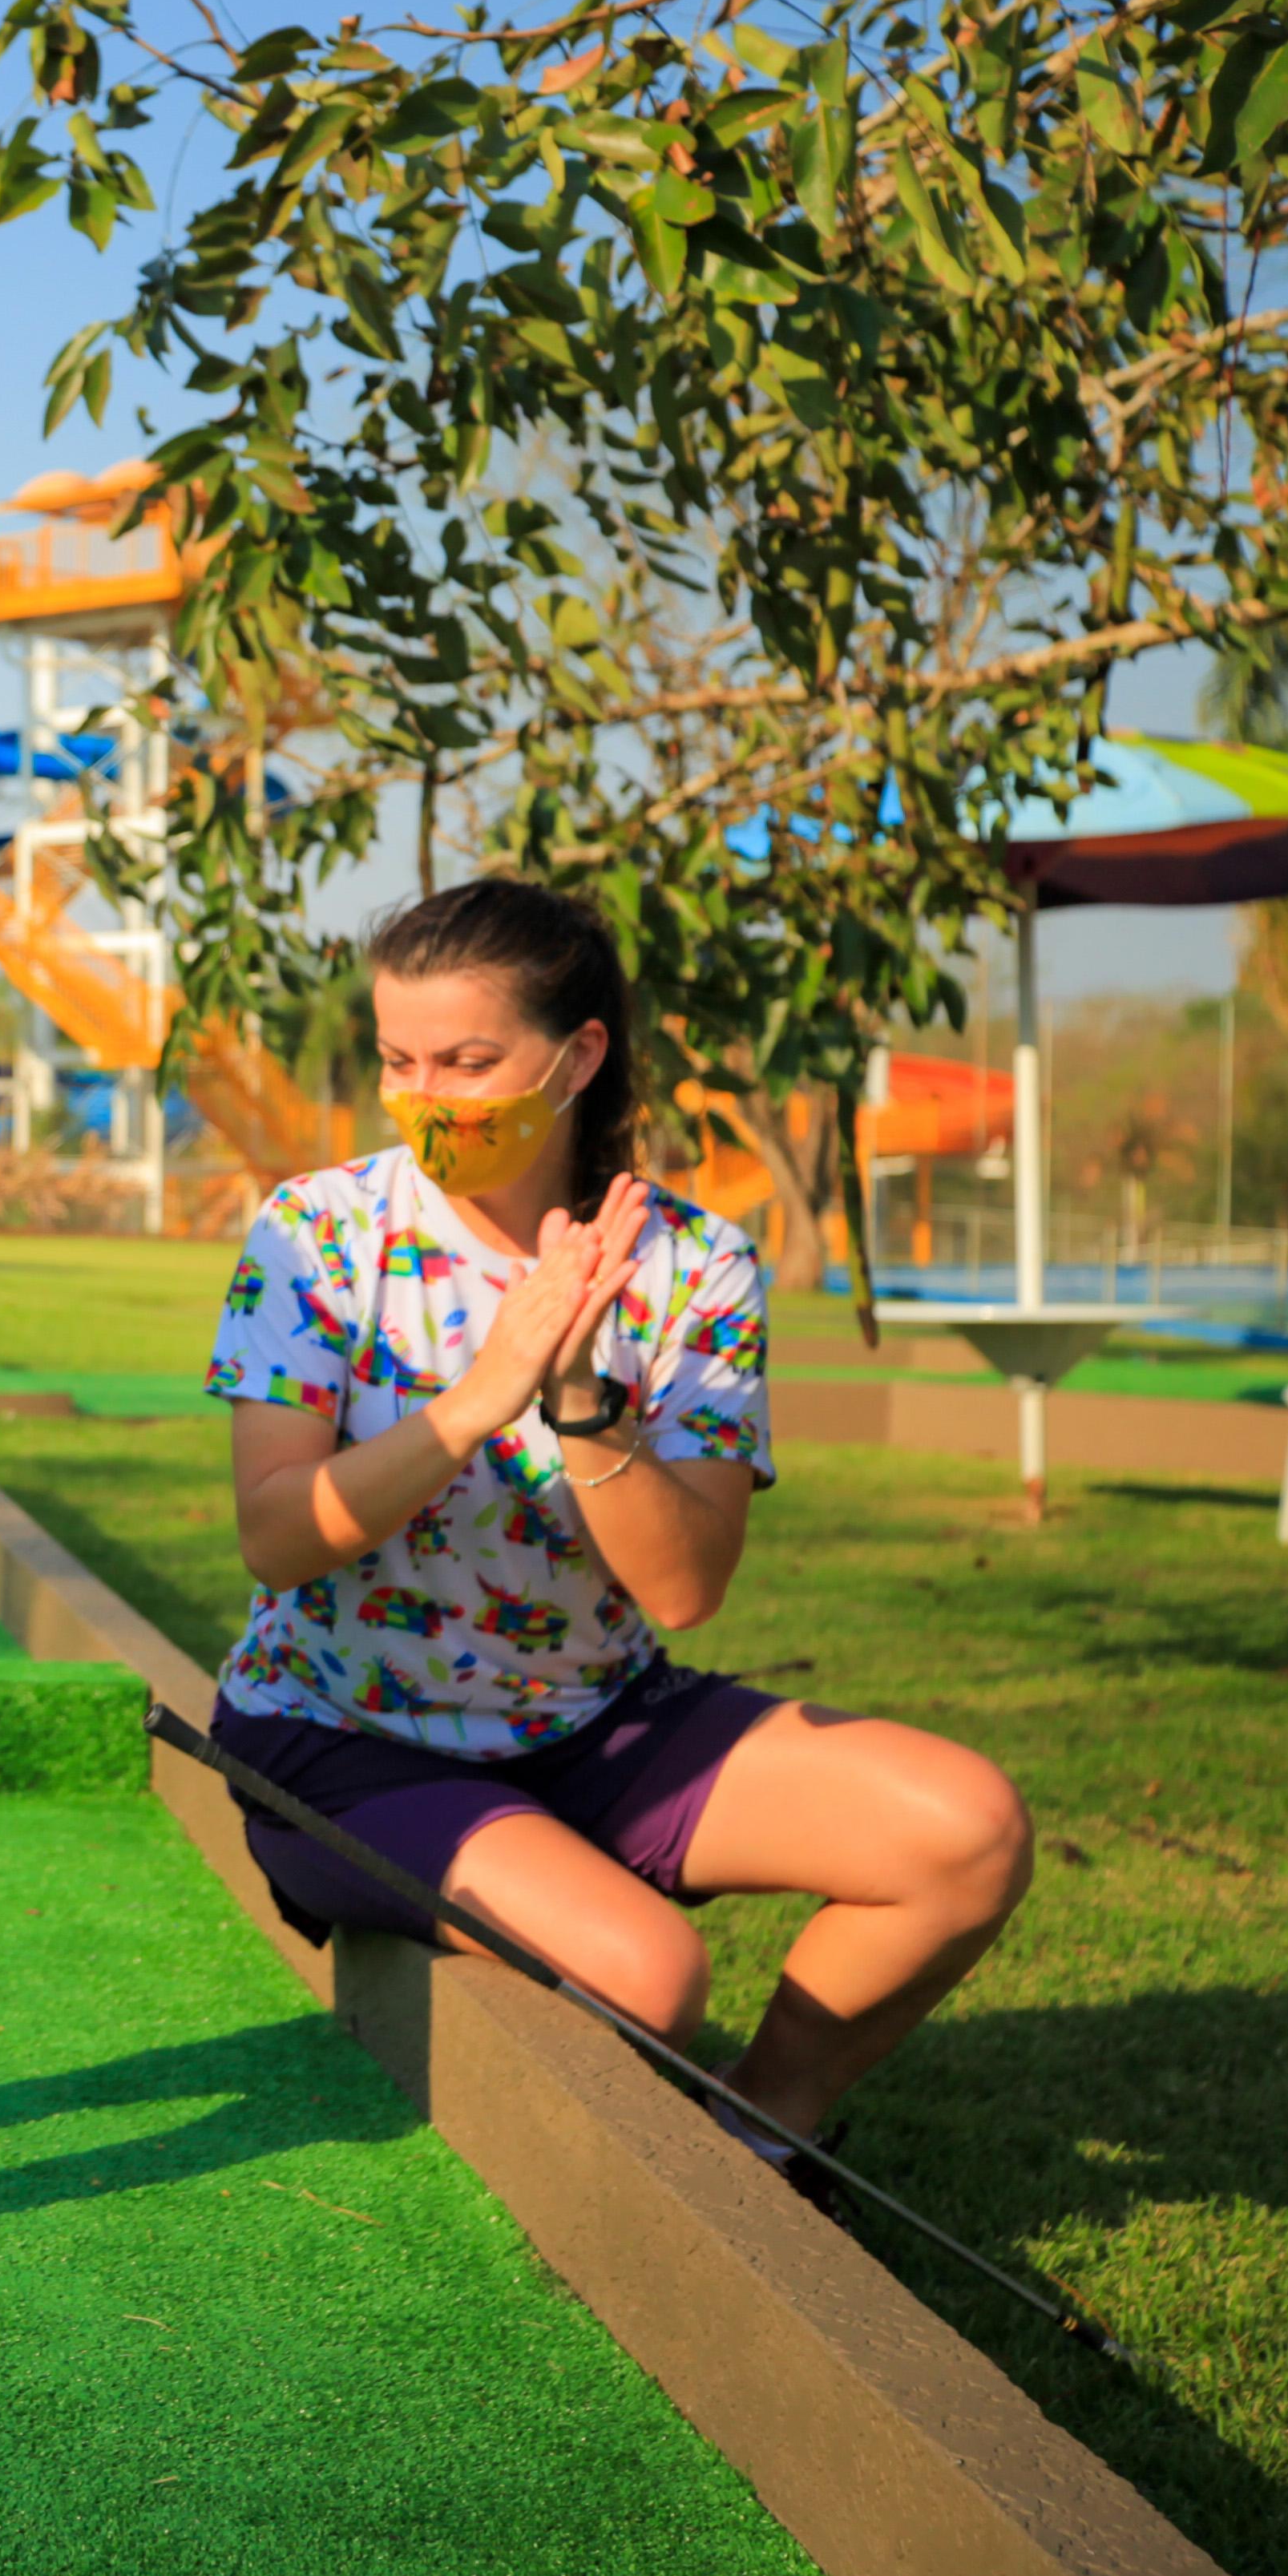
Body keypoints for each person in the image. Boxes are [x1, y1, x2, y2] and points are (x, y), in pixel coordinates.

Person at [204, 878, 1030, 2189]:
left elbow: (686, 1587)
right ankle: (496, 1909)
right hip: (343, 1734)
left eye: (470, 1061)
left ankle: (761, 2134)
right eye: (401, 1060)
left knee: (965, 1831)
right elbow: (276, 1539)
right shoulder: (318, 1233)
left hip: (596, 1722)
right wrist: (480, 1399)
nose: (431, 1097)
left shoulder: (698, 1266)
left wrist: (580, 1396)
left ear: (577, 1054)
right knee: (653, 1975)